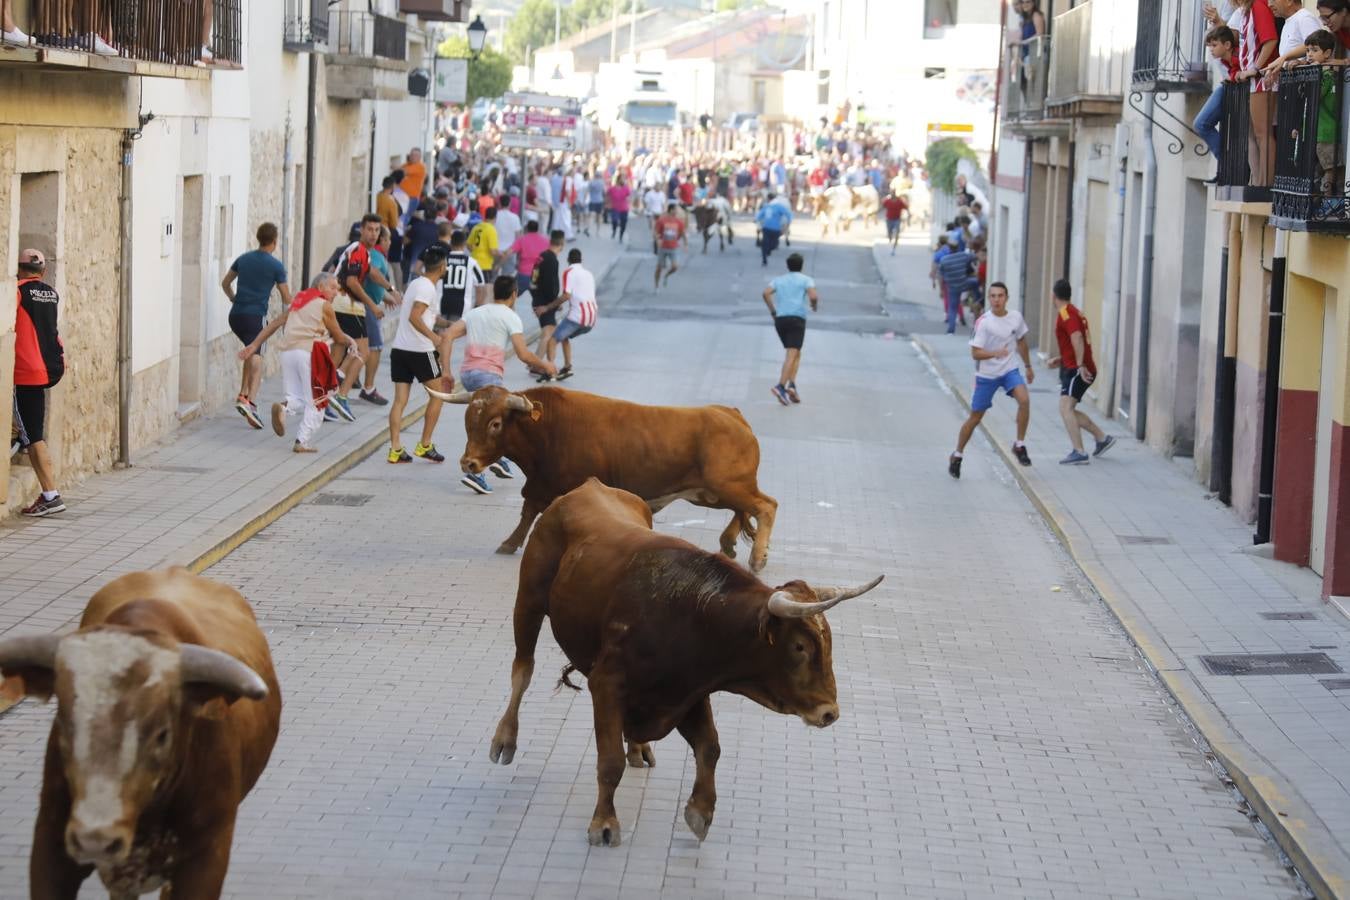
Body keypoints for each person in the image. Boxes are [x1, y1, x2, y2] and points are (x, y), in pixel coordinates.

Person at [440, 275, 556, 494]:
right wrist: (545, 365)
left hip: (468, 375)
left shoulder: (476, 312)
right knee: (495, 424)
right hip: (489, 376)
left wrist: (446, 371)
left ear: (495, 293)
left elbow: (447, 335)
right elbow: (522, 354)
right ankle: (476, 473)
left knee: (488, 422)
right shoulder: (510, 317)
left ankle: (498, 458)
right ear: (514, 295)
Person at [240, 273, 358, 454]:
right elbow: (338, 336)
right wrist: (351, 342)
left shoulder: (299, 300)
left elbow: (276, 323)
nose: (336, 292)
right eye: (333, 287)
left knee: (296, 397)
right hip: (309, 354)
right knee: (318, 400)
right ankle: (302, 441)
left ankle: (283, 407)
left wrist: (254, 345)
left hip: (289, 352)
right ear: (320, 287)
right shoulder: (324, 305)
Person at [948, 282, 1034, 478]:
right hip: (987, 375)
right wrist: (995, 353)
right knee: (975, 418)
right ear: (989, 298)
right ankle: (957, 454)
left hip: (1009, 370)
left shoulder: (1015, 318)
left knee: (1025, 400)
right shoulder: (984, 322)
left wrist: (1028, 367)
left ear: (1007, 298)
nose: (997, 300)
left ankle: (1019, 445)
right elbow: (975, 354)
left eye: (1000, 296)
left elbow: (1021, 342)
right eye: (993, 296)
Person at [221, 222, 290, 429]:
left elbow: (225, 283)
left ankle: (242, 394)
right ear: (275, 242)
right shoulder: (276, 266)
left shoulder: (243, 259)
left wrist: (233, 298)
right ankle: (251, 401)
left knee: (250, 351)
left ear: (259, 238)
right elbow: (286, 297)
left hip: (236, 316)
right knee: (258, 357)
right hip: (255, 316)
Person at [12, 250, 66, 516]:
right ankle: (50, 494)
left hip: (26, 371)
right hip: (47, 368)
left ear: (18, 269)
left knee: (33, 436)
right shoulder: (51, 293)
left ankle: (51, 495)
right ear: (42, 271)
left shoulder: (17, 292)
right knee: (32, 431)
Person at [387, 246, 451, 465]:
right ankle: (425, 444)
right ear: (442, 267)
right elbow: (415, 317)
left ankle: (395, 448)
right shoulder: (428, 288)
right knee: (439, 394)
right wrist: (434, 337)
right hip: (420, 351)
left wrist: (449, 325)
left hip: (400, 350)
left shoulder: (416, 283)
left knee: (400, 401)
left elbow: (426, 315)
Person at [331, 214, 399, 421]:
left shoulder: (364, 253)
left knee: (340, 348)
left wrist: (392, 289)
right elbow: (352, 281)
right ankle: (341, 394)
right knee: (364, 352)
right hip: (348, 305)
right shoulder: (358, 250)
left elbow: (373, 274)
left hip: (340, 304)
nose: (373, 234)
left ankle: (325, 394)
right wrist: (371, 305)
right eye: (369, 229)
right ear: (362, 229)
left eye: (377, 230)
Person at [1043, 280, 1115, 464]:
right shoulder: (1073, 311)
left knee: (1065, 408)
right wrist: (1060, 360)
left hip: (1077, 370)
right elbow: (1073, 342)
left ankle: (1079, 452)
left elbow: (1077, 337)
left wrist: (1080, 365)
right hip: (1076, 367)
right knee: (1068, 409)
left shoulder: (1066, 314)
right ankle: (1101, 438)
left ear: (1054, 296)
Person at [1230, 0, 1278, 187]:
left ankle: (1266, 184)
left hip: (1261, 79)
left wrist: (1256, 68)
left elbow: (1271, 39)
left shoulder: (1258, 5)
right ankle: (1258, 181)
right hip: (1253, 78)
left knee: (1262, 133)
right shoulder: (1246, 10)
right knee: (1255, 134)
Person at [761, 252, 818, 406]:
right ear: (801, 266)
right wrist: (814, 306)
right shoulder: (806, 280)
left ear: (787, 266)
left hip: (780, 319)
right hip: (796, 319)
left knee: (796, 352)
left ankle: (792, 386)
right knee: (792, 354)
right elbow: (813, 296)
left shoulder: (779, 280)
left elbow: (766, 293)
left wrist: (773, 311)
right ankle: (781, 386)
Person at [543, 248, 598, 380]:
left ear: (568, 260)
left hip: (577, 316)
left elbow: (567, 294)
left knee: (552, 340)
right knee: (564, 336)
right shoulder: (589, 274)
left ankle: (550, 371)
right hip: (591, 318)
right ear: (581, 260)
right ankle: (567, 366)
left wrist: (549, 307)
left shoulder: (569, 272)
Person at [358, 226, 394, 406]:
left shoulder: (374, 255)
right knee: (375, 346)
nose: (390, 242)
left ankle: (352, 381)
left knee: (359, 347)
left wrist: (385, 296)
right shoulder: (376, 257)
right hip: (367, 306)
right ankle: (368, 388)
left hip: (367, 304)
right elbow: (373, 276)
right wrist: (390, 289)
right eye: (388, 239)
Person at [1196, 25, 1240, 169]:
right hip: (1228, 89)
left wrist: (1232, 78)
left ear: (1227, 45)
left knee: (1200, 124)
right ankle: (1225, 165)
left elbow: (1241, 69)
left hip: (1232, 90)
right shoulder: (1225, 60)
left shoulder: (1237, 57)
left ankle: (1226, 164)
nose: (1211, 49)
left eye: (1214, 45)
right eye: (1210, 46)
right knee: (1200, 124)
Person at [531, 229, 565, 380]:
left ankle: (535, 364)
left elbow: (534, 280)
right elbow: (550, 284)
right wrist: (554, 303)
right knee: (548, 334)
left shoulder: (542, 256)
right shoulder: (552, 260)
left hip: (538, 298)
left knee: (547, 332)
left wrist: (535, 299)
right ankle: (536, 365)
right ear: (561, 244)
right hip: (545, 301)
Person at [440, 229, 484, 324]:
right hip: (462, 308)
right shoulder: (472, 263)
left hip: (441, 305)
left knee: (440, 335)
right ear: (464, 244)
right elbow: (480, 288)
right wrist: (477, 308)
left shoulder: (442, 260)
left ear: (450, 243)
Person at [936, 239, 976, 334]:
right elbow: (975, 257)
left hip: (952, 286)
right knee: (976, 283)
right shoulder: (963, 256)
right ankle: (977, 298)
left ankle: (951, 329)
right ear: (958, 247)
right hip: (964, 283)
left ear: (949, 248)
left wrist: (941, 289)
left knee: (952, 307)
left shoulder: (944, 260)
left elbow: (940, 276)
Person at [468, 206, 500, 306]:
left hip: (473, 262)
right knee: (486, 292)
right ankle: (480, 312)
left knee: (473, 291)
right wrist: (501, 255)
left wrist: (476, 250)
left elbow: (469, 244)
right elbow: (493, 251)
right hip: (485, 265)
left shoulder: (477, 227)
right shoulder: (491, 229)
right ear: (495, 217)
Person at [509, 219, 548, 302]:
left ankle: (507, 313)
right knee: (540, 301)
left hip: (523, 274)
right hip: (537, 274)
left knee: (510, 298)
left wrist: (498, 264)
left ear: (527, 229)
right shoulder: (545, 241)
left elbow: (510, 251)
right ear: (537, 229)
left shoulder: (522, 239)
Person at [375, 175, 404, 283]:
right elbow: (394, 223)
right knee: (396, 264)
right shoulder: (391, 201)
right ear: (392, 186)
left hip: (377, 229)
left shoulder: (378, 196)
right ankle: (398, 290)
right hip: (387, 231)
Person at [652, 201, 687, 289]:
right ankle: (656, 285)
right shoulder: (662, 220)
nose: (677, 212)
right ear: (671, 210)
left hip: (673, 247)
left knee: (675, 267)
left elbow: (683, 233)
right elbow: (656, 232)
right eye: (675, 210)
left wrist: (685, 244)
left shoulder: (679, 222)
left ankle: (666, 275)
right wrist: (657, 240)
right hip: (663, 247)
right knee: (659, 267)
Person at [754, 193, 792, 267]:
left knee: (770, 245)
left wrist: (756, 220)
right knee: (767, 244)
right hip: (773, 229)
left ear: (768, 199)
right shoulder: (774, 206)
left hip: (770, 228)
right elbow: (788, 214)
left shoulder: (772, 206)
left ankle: (766, 253)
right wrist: (789, 221)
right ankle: (764, 259)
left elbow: (759, 215)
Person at [607, 174, 632, 241]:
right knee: (614, 221)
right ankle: (614, 230)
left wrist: (630, 204)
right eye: (622, 179)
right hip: (615, 208)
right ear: (618, 179)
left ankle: (621, 235)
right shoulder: (612, 188)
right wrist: (607, 203)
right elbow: (607, 196)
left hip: (624, 208)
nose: (624, 180)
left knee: (623, 223)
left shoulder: (626, 188)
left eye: (624, 179)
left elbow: (629, 197)